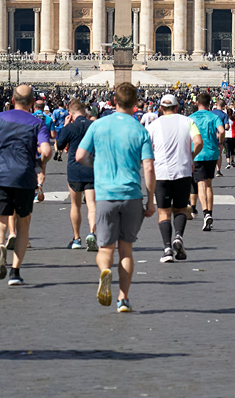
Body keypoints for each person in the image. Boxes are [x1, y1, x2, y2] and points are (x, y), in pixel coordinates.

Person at [76, 82, 156, 313]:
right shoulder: (140, 130)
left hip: (105, 195)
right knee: (126, 250)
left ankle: (105, 270)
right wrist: (150, 199)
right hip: (131, 194)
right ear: (135, 103)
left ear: (113, 101)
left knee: (105, 249)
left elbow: (80, 155)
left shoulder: (98, 125)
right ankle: (123, 298)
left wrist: (97, 165)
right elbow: (149, 168)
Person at [0, 84, 53, 287]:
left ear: (12, 100)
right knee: (23, 225)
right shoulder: (37, 123)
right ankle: (15, 272)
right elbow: (46, 151)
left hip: (0, 176)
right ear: (32, 103)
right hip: (24, 177)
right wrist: (40, 163)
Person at [146, 93, 202, 263]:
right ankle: (178, 236)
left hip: (161, 172)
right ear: (177, 107)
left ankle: (167, 248)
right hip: (183, 170)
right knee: (180, 209)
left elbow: (146, 146)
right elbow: (199, 141)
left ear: (161, 109)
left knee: (164, 212)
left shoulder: (153, 125)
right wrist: (191, 156)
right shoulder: (188, 121)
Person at [56, 100, 98, 250]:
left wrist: (65, 126)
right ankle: (92, 233)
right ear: (85, 112)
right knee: (92, 205)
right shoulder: (94, 125)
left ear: (70, 114)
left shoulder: (70, 127)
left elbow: (59, 145)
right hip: (91, 167)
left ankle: (76, 239)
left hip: (74, 168)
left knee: (75, 205)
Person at [188, 91, 225, 230]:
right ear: (210, 104)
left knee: (200, 184)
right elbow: (221, 131)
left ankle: (205, 213)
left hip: (197, 154)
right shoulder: (214, 117)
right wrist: (220, 143)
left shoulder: (190, 118)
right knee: (209, 184)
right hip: (212, 153)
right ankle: (209, 212)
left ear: (197, 103)